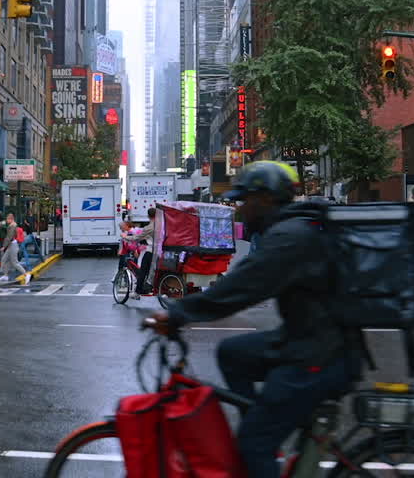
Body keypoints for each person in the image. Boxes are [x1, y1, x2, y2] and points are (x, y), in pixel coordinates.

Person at [150, 161, 362, 478]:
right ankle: (269, 422)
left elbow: (240, 289)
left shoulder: (289, 237)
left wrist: (178, 314)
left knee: (253, 443)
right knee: (232, 353)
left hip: (319, 356)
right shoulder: (289, 230)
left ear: (265, 199)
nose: (239, 209)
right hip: (304, 341)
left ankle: (261, 443)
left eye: (244, 200)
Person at [0, 213, 31, 285]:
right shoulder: (11, 225)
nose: (6, 221)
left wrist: (4, 246)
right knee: (5, 259)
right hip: (11, 245)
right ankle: (5, 275)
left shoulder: (13, 226)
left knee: (14, 262)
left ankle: (26, 274)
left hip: (13, 245)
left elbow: (9, 237)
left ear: (11, 219)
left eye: (7, 219)